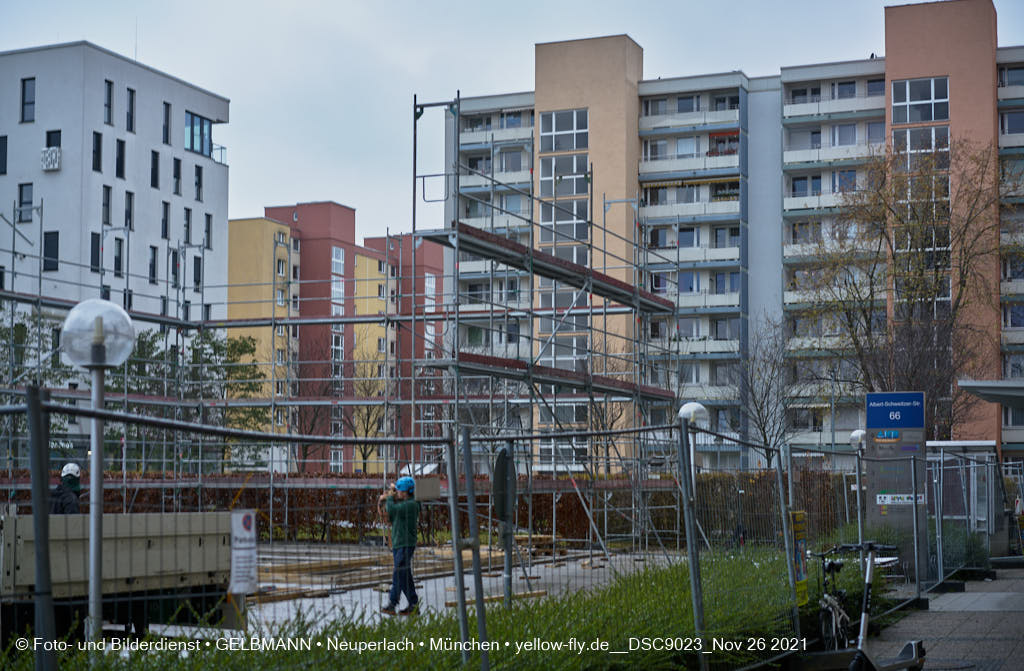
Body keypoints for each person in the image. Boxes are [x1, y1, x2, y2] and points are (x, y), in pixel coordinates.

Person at [378, 476, 420, 615]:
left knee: (398, 574)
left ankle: (392, 603)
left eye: (400, 491)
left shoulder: (411, 505)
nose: (399, 493)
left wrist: (389, 497)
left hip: (405, 544)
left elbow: (392, 509)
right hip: (398, 543)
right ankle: (413, 604)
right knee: (404, 574)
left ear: (408, 491)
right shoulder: (405, 502)